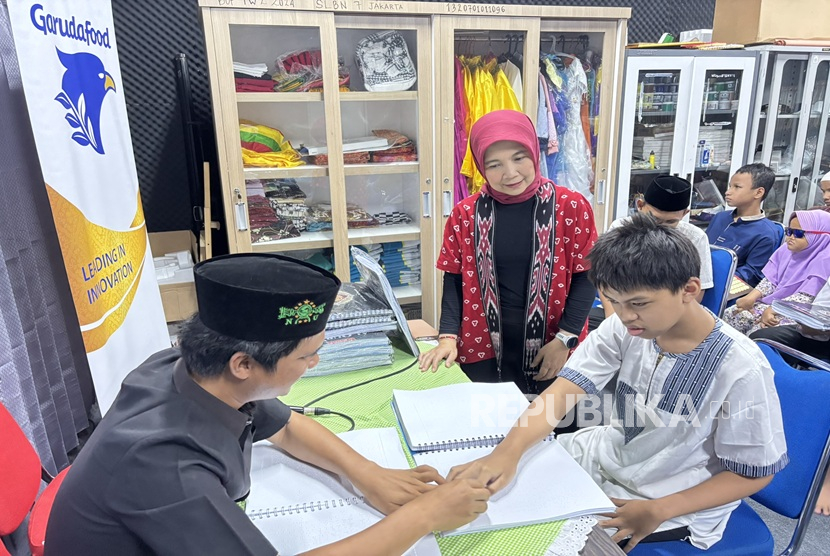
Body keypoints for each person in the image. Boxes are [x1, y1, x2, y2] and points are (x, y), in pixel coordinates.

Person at [45, 254, 490, 556]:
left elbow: (288, 427)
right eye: (305, 356)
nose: (315, 363)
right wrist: (424, 514)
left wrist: (367, 474)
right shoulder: (166, 465)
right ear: (243, 364)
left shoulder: (188, 370)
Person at [447, 213, 788, 552]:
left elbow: (753, 473)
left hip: (668, 497)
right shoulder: (626, 328)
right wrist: (505, 454)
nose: (625, 316)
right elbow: (561, 394)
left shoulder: (740, 368)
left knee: (528, 538)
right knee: (492, 489)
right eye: (615, 302)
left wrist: (660, 509)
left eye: (638, 303)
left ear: (689, 290)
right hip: (606, 457)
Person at [418, 109, 598, 396]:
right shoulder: (465, 215)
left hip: (554, 343)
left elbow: (587, 277)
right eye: (494, 164)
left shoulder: (570, 207)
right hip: (483, 343)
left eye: (519, 158)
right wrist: (448, 337)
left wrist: (566, 340)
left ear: (534, 153)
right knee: (488, 428)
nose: (510, 173)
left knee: (554, 428)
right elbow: (454, 281)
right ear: (480, 166)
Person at [597, 176, 713, 323]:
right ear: (640, 205)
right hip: (622, 308)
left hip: (668, 316)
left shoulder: (695, 237)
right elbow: (604, 278)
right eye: (655, 219)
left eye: (670, 222)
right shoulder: (621, 229)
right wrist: (613, 320)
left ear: (684, 213)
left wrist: (662, 324)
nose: (660, 228)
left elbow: (697, 292)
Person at [723, 210, 830, 336]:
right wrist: (751, 297)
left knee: (759, 331)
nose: (790, 237)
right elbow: (771, 281)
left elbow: (805, 298)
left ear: (821, 236)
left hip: (796, 313)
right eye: (789, 231)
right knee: (732, 314)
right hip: (771, 303)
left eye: (798, 233)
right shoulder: (786, 250)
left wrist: (773, 310)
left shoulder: (825, 259)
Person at [706, 163, 784, 287]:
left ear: (758, 193)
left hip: (727, 286)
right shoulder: (720, 217)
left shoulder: (766, 233)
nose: (728, 192)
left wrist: (715, 279)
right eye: (730, 186)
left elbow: (751, 274)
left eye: (737, 187)